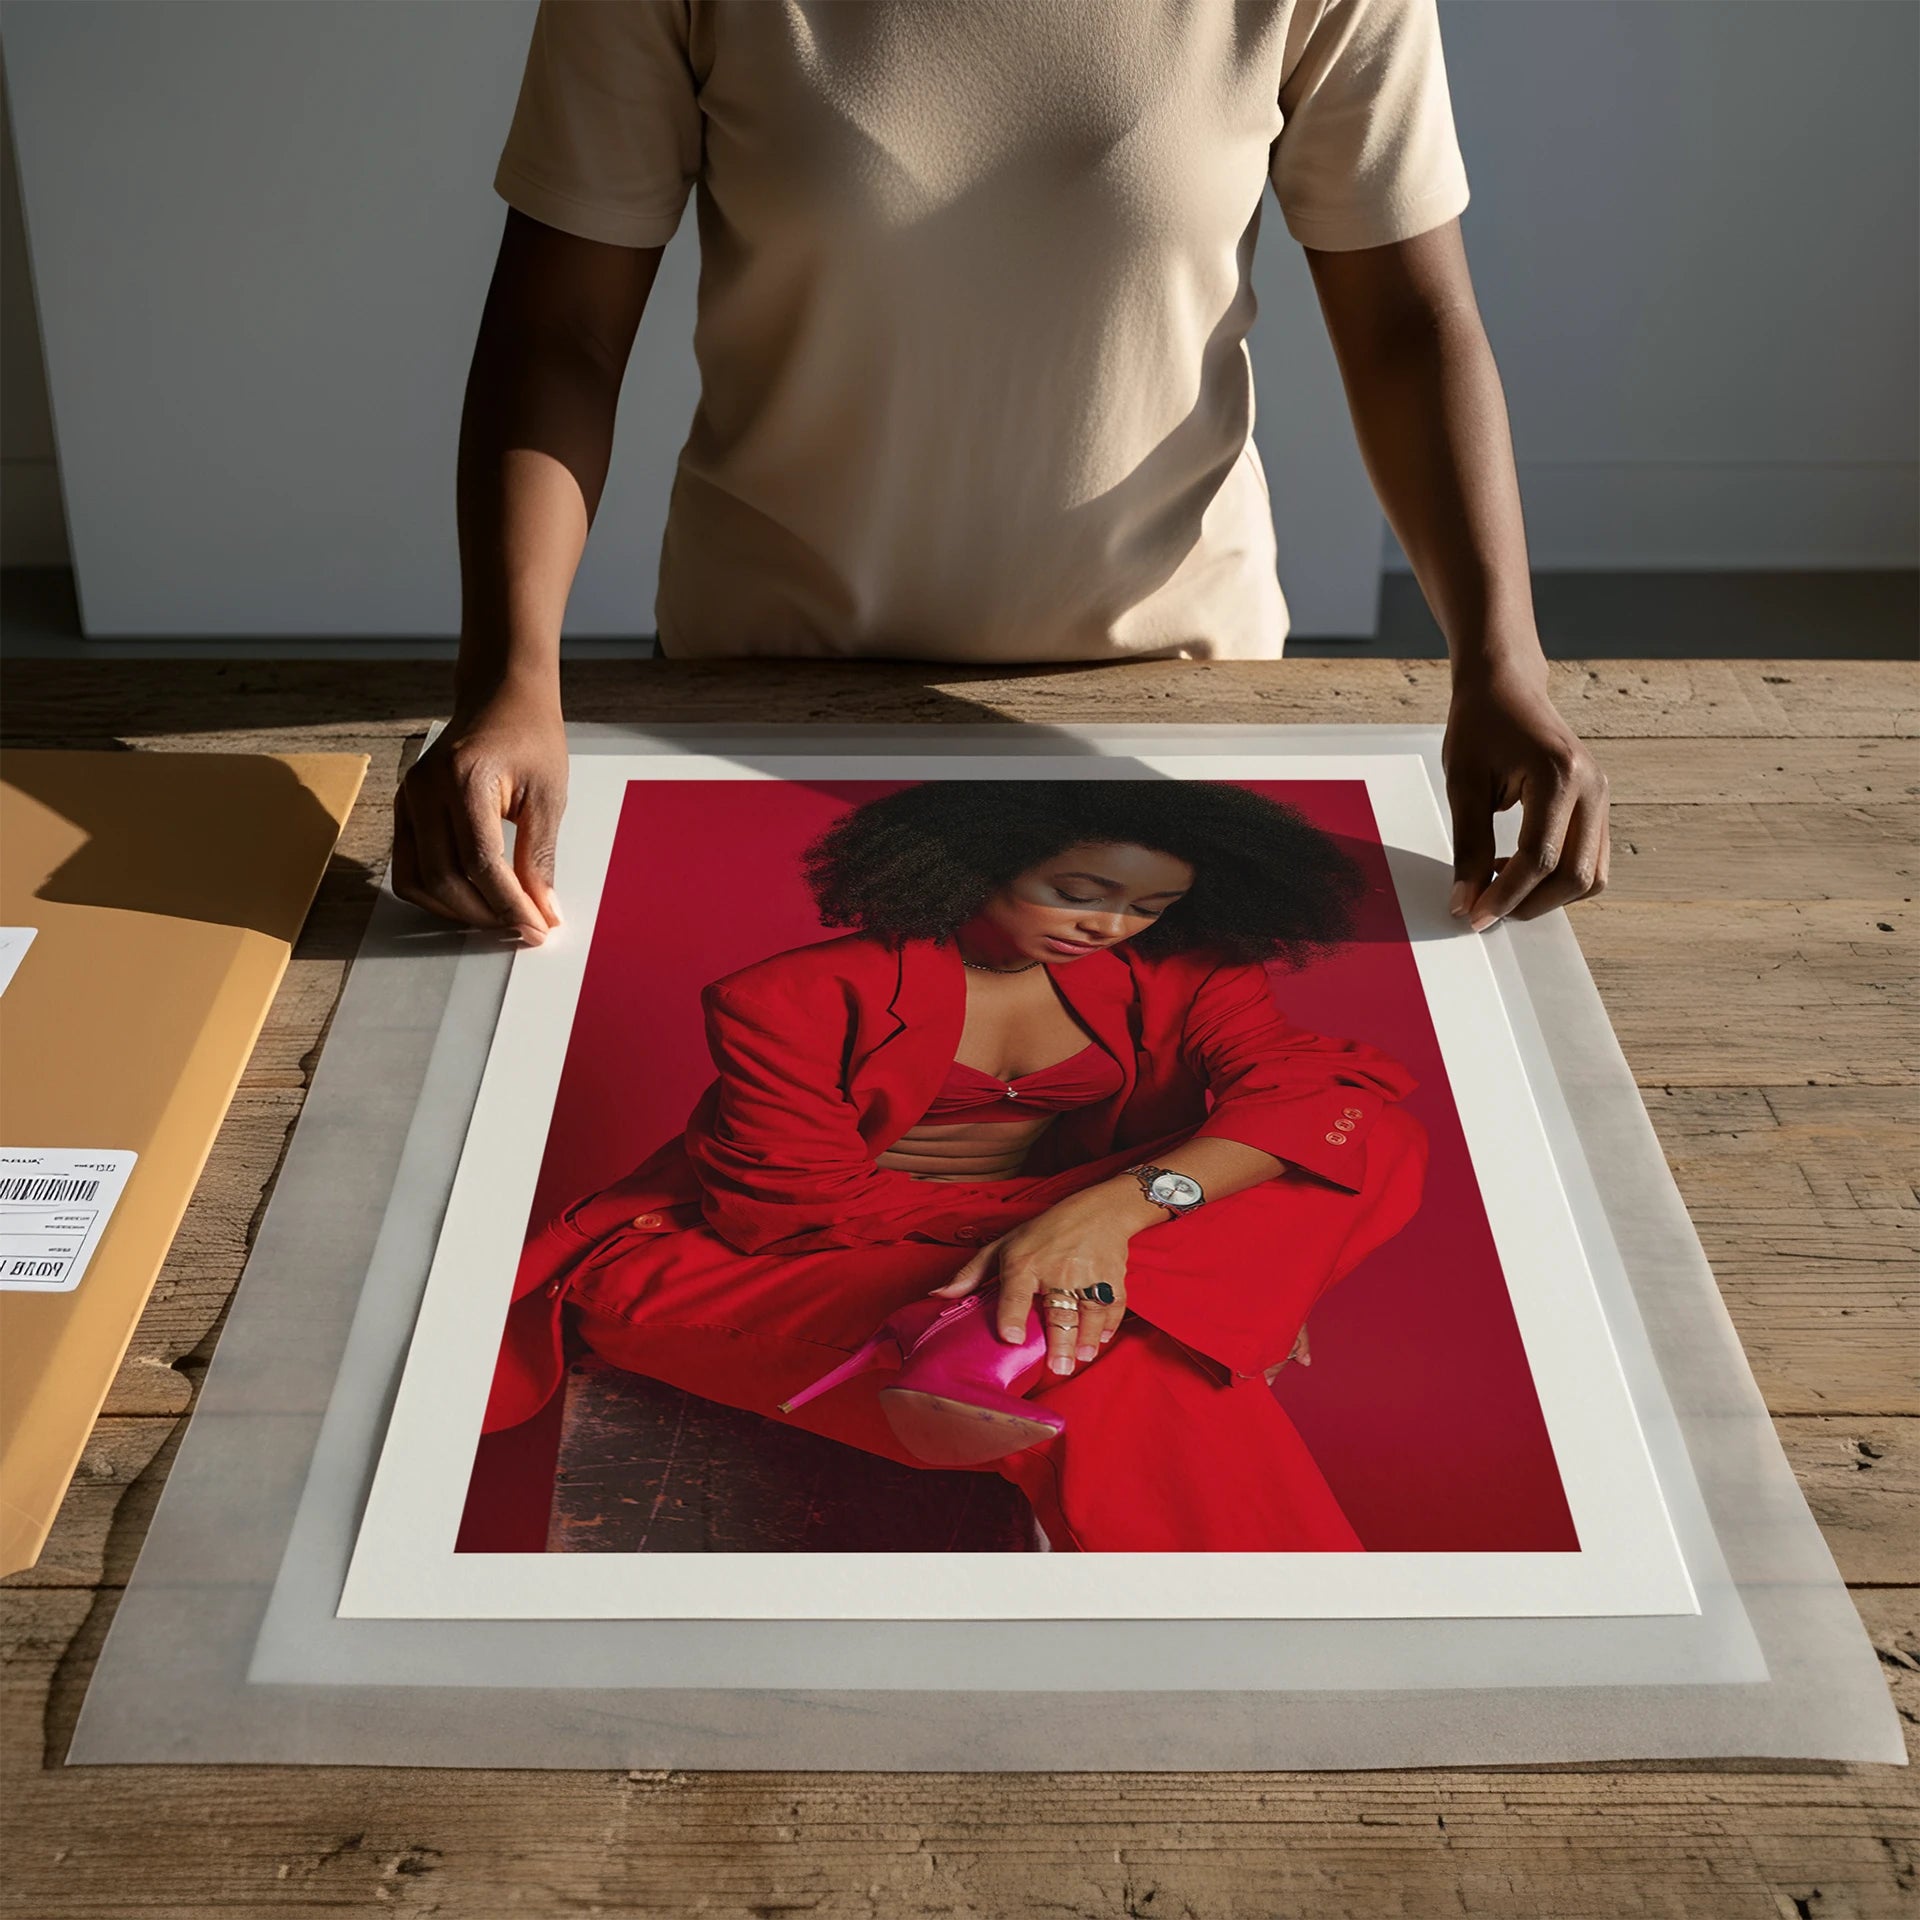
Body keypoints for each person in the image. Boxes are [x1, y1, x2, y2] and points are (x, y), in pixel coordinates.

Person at [393, 0, 1610, 949]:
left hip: (1175, 691)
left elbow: (1407, 319)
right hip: (758, 684)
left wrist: (1502, 664)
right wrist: (507, 681)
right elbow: (562, 331)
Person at [489, 780, 1430, 1552]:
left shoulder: (1187, 972)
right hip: (755, 1260)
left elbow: (1318, 1101)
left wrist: (1111, 1216)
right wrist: (1081, 1228)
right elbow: (783, 1205)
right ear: (979, 856)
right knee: (1120, 1366)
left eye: (1150, 907)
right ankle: (1317, 1644)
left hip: (1023, 1237)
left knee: (1369, 1132)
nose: (1111, 927)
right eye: (1078, 891)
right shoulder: (790, 996)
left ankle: (997, 1343)